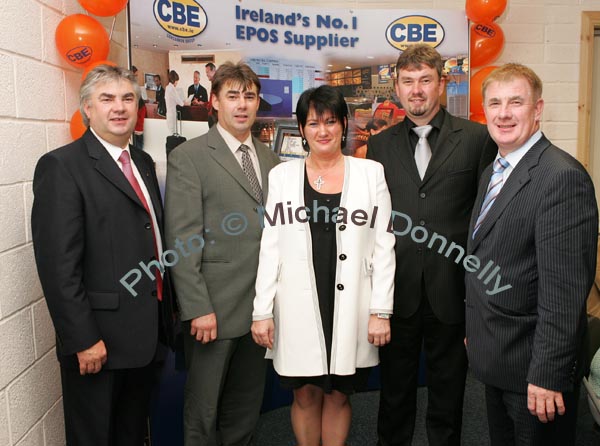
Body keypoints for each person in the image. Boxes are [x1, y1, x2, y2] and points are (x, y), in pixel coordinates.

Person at [31, 64, 176, 445]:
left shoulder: (142, 162)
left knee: (130, 435)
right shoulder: (62, 167)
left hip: (144, 338)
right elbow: (59, 266)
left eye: (128, 98)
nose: (119, 107)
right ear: (87, 109)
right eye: (107, 98)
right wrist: (82, 339)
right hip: (98, 344)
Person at [367, 43, 497, 446]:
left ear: (441, 83)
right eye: (408, 82)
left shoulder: (477, 139)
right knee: (394, 396)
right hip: (397, 292)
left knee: (448, 397)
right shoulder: (380, 146)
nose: (417, 90)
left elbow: (486, 220)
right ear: (397, 88)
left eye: (425, 80)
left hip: (452, 291)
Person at [251, 85, 396, 446]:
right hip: (298, 300)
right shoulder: (282, 177)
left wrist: (381, 310)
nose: (323, 131)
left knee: (338, 394)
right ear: (301, 129)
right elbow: (270, 246)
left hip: (351, 300)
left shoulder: (370, 173)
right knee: (304, 394)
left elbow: (384, 244)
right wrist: (261, 311)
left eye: (331, 121)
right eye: (313, 123)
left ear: (344, 124)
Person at [465, 63, 598, 446]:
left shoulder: (561, 178)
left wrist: (547, 374)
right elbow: (488, 255)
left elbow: (565, 293)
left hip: (534, 372)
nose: (503, 113)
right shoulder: (495, 169)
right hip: (500, 358)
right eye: (495, 103)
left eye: (515, 102)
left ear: (537, 109)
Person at [165, 61, 280, 445]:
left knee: (246, 408)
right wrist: (197, 307)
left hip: (260, 310)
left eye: (249, 96)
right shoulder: (190, 157)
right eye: (232, 96)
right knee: (204, 410)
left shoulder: (269, 159)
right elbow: (182, 240)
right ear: (214, 101)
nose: (242, 104)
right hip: (213, 308)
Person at [165, 70, 186, 134]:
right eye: (177, 81)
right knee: (173, 133)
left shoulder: (167, 87)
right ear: (174, 80)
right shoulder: (172, 89)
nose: (177, 83)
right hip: (172, 115)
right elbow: (181, 103)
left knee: (171, 133)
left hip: (169, 114)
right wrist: (186, 102)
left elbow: (172, 100)